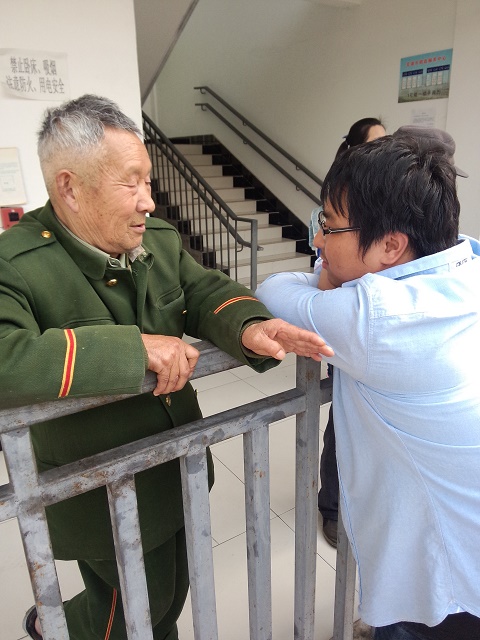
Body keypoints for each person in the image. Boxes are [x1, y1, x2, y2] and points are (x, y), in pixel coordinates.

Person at [0, 94, 332, 640]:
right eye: (130, 183)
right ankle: (54, 627)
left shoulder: (155, 238)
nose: (148, 201)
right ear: (70, 187)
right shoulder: (15, 263)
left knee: (170, 592)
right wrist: (132, 350)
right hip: (100, 487)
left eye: (149, 181)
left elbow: (202, 291)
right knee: (130, 611)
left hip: (174, 463)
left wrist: (249, 325)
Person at [256, 128, 480, 639]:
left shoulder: (378, 319)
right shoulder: (466, 266)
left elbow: (272, 290)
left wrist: (326, 281)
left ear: (391, 245)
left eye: (328, 227)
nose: (317, 241)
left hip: (451, 591)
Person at [309, 117, 386, 548]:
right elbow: (321, 278)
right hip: (348, 339)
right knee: (341, 425)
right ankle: (333, 509)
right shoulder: (338, 206)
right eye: (375, 144)